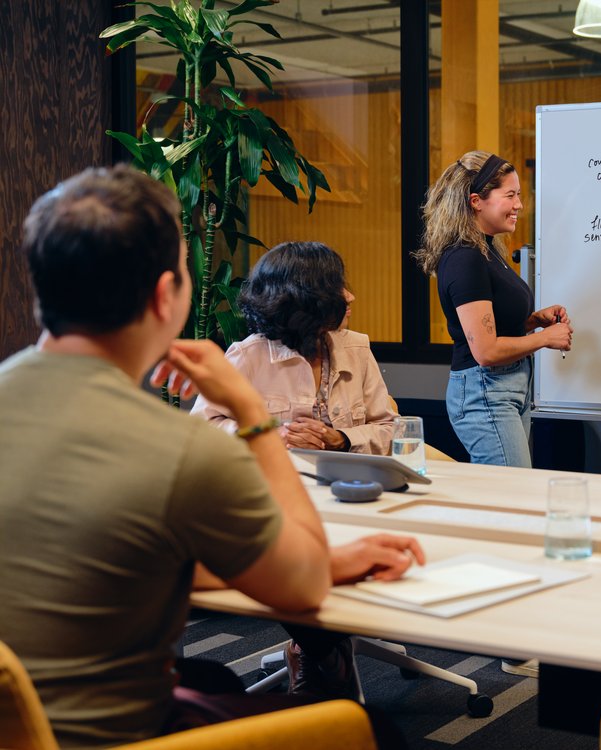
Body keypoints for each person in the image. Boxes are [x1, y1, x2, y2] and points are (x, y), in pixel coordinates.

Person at [0, 165, 422, 748]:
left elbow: (112, 549)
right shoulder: (178, 447)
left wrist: (326, 558)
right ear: (164, 296)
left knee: (214, 677)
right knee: (373, 731)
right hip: (108, 736)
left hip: (19, 720)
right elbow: (302, 588)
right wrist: (252, 416)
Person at [416, 150, 572, 467]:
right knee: (513, 492)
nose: (519, 205)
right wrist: (545, 338)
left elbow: (491, 325)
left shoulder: (486, 250)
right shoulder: (465, 258)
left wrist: (533, 321)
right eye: (510, 195)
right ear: (476, 201)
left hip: (506, 389)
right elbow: (486, 351)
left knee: (514, 489)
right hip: (486, 393)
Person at [192, 241, 397, 455]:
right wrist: (268, 436)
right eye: (335, 288)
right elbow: (202, 430)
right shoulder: (248, 355)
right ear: (304, 299)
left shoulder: (357, 348)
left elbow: (391, 430)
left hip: (346, 477)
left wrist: (342, 439)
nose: (349, 297)